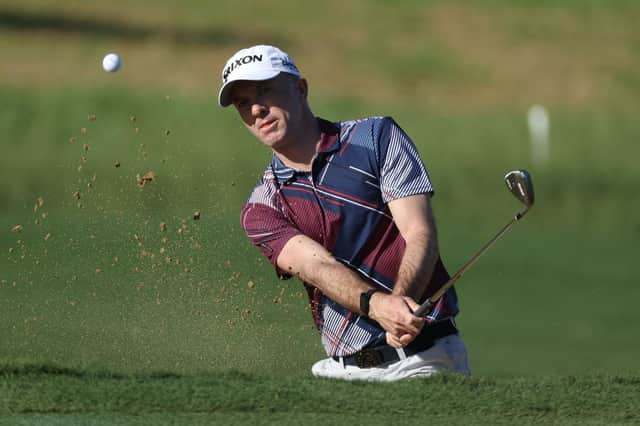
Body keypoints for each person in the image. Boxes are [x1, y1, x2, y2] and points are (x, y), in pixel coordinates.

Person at [217, 44, 471, 381]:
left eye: (265, 91)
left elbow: (419, 232)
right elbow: (317, 266)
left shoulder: (375, 138)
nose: (257, 110)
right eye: (243, 104)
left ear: (301, 88)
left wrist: (400, 303)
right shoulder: (262, 207)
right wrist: (379, 307)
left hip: (425, 356)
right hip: (344, 369)